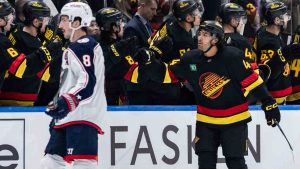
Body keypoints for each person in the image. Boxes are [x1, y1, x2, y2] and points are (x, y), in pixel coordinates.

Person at [135, 20, 281, 169]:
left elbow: (253, 81)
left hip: (235, 121)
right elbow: (167, 74)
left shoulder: (233, 57)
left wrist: (268, 102)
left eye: (205, 35)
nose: (200, 38)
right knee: (205, 164)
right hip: (206, 121)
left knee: (235, 163)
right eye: (199, 34)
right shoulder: (191, 59)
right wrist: (150, 62)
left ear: (216, 39)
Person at [41, 2, 106, 169]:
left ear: (76, 23)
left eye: (63, 20)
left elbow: (87, 83)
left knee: (83, 162)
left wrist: (65, 103)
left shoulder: (82, 46)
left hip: (83, 115)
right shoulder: (77, 46)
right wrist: (59, 109)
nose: (60, 25)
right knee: (51, 159)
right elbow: (70, 82)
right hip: (71, 115)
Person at [0, 0, 56, 90]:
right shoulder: (3, 40)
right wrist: (49, 48)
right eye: (8, 16)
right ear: (36, 21)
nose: (11, 18)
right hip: (19, 95)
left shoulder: (15, 29)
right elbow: (49, 76)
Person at [253, 1, 300, 104]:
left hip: (280, 94)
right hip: (273, 97)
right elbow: (269, 72)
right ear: (277, 20)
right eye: (285, 16)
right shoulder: (267, 42)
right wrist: (285, 55)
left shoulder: (275, 34)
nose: (288, 18)